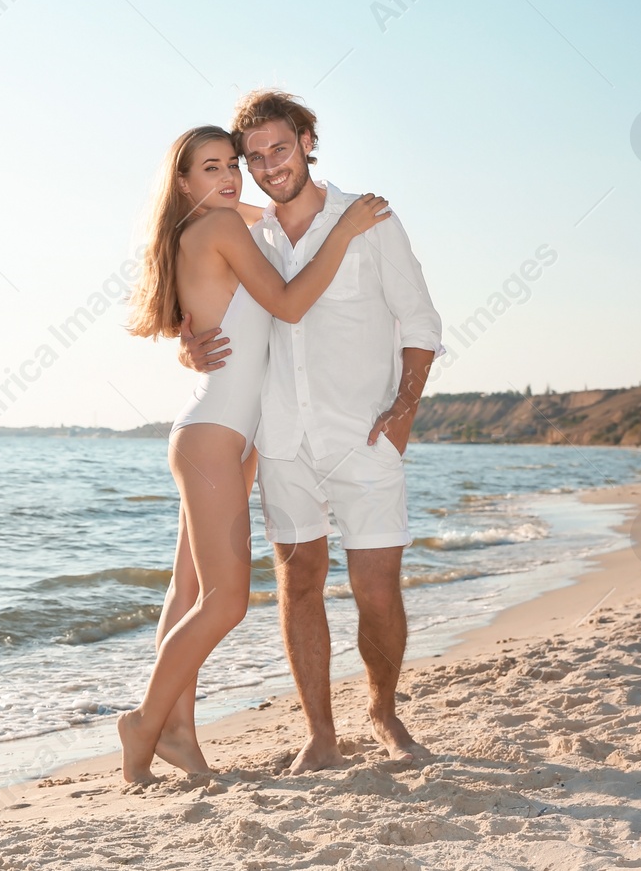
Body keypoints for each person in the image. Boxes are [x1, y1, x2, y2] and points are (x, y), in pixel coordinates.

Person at [179, 90, 444, 773]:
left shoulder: (370, 219)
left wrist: (403, 414)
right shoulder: (250, 234)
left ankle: (383, 712)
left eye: (281, 149)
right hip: (283, 440)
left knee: (377, 588)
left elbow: (420, 325)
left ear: (306, 140)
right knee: (299, 585)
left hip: (363, 437)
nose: (270, 166)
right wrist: (188, 343)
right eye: (256, 155)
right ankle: (320, 733)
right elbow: (218, 307)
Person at [120, 124, 390, 784]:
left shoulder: (207, 225)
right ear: (182, 182)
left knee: (188, 589)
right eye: (209, 168)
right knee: (226, 601)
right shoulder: (219, 231)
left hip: (219, 434)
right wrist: (345, 230)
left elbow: (263, 213)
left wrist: (247, 200)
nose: (228, 177)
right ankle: (144, 722)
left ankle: (177, 730)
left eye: (231, 165)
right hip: (215, 435)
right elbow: (291, 304)